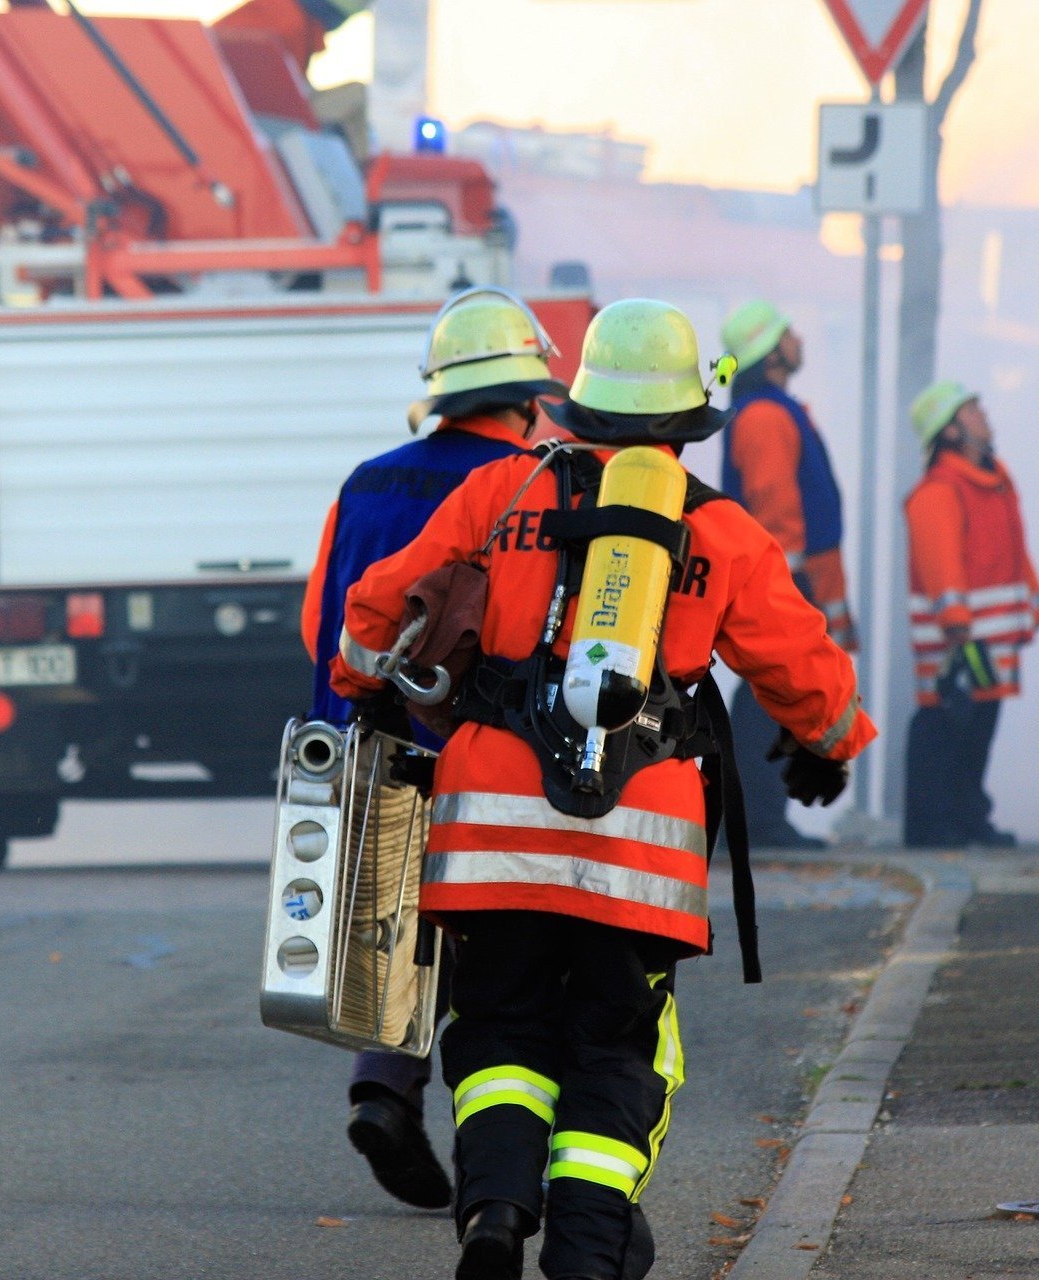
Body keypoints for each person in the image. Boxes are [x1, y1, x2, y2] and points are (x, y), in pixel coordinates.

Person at [331, 299, 874, 1280]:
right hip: (640, 846)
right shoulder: (721, 525)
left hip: (492, 828)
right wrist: (829, 743)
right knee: (620, 1047)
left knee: (498, 1027)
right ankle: (585, 1251)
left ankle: (494, 1210)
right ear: (685, 412)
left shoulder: (503, 488)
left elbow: (380, 605)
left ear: (580, 400)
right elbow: (806, 667)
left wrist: (361, 683)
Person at [302, 287, 568, 1211]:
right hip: (484, 749)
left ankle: (385, 1087)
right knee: (492, 947)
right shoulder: (535, 485)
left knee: (398, 924)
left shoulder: (367, 480)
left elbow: (321, 626)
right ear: (529, 392)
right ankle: (490, 1146)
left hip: (363, 735)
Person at [716, 300, 858, 848]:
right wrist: (791, 591)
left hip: (790, 582)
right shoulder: (766, 416)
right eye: (787, 333)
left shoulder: (771, 411)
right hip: (783, 585)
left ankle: (761, 818)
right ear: (771, 353)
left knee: (772, 701)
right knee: (767, 703)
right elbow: (775, 511)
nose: (798, 338)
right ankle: (758, 821)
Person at [902, 381, 1039, 849]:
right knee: (944, 727)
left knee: (977, 729)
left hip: (990, 636)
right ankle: (932, 825)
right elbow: (942, 567)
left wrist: (1031, 607)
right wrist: (958, 629)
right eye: (971, 409)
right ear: (950, 431)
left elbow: (1013, 552)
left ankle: (965, 818)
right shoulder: (939, 491)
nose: (983, 414)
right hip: (958, 640)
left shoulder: (994, 482)